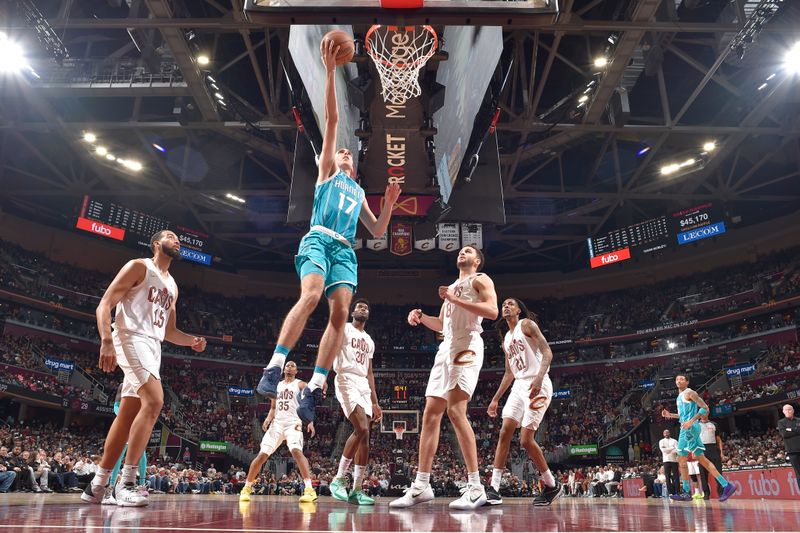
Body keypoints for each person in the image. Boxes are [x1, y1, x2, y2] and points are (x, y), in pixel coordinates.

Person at [255, 34, 401, 425]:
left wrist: (387, 204)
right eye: (341, 151)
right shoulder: (326, 174)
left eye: (350, 153)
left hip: (346, 251)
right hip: (319, 237)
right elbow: (334, 120)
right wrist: (331, 72)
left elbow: (377, 230)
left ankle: (316, 387)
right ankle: (274, 365)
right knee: (312, 295)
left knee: (340, 316)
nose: (346, 153)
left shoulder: (357, 191)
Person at [82, 230, 207, 507]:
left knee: (127, 414)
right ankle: (125, 483)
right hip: (129, 336)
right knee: (155, 401)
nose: (177, 241)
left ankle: (97, 485)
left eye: (179, 239)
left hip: (153, 346)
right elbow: (105, 304)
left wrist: (193, 341)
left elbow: (170, 331)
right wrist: (105, 340)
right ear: (156, 244)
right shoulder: (139, 266)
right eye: (171, 236)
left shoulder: (173, 285)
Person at [390, 245, 498, 510]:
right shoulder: (451, 287)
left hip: (468, 343)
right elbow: (441, 325)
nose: (462, 252)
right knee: (431, 413)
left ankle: (476, 488)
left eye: (468, 250)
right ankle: (422, 485)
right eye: (460, 250)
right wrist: (421, 316)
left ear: (477, 260)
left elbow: (492, 311)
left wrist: (454, 299)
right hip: (447, 346)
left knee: (456, 411)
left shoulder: (480, 279)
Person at [484, 298, 562, 506]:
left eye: (510, 304)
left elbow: (548, 353)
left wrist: (538, 378)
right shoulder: (506, 339)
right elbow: (509, 373)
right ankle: (494, 488)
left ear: (519, 310)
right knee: (504, 431)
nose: (506, 306)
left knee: (526, 440)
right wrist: (495, 399)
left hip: (539, 382)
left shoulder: (526, 325)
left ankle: (552, 485)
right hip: (519, 386)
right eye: (503, 305)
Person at [328, 299, 382, 505]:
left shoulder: (369, 341)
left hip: (362, 385)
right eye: (359, 307)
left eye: (366, 308)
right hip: (345, 378)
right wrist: (322, 376)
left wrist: (375, 402)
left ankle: (357, 489)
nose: (363, 309)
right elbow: (330, 350)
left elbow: (369, 373)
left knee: (365, 437)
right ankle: (338, 479)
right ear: (353, 312)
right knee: (361, 428)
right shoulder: (344, 329)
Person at [240, 362, 317, 503]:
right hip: (277, 424)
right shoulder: (277, 386)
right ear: (283, 369)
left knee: (296, 451)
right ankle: (246, 488)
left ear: (296, 370)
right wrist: (268, 419)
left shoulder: (301, 384)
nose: (290, 367)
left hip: (293, 422)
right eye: (287, 365)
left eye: (293, 365)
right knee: (262, 455)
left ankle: (309, 490)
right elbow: (273, 407)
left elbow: (309, 403)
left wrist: (310, 421)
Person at [660, 374, 736, 502]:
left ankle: (686, 491)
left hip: (689, 428)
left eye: (682, 379)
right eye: (677, 379)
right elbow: (683, 416)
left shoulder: (690, 393)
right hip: (687, 426)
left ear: (687, 382)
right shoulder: (680, 396)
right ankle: (726, 485)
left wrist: (692, 421)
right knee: (701, 459)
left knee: (681, 457)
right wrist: (670, 415)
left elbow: (705, 408)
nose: (678, 381)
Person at [103, 384, 149, 504]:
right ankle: (111, 487)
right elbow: (116, 405)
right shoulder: (124, 385)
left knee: (141, 453)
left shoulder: (145, 386)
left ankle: (141, 485)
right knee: (119, 453)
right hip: (125, 418)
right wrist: (125, 419)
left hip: (137, 421)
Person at [699, 411, 724, 500]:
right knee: (703, 473)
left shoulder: (714, 424)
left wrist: (721, 452)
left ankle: (721, 493)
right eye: (701, 413)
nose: (703, 415)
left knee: (718, 471)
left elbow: (719, 439)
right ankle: (706, 493)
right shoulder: (696, 425)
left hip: (713, 448)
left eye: (705, 413)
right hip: (701, 449)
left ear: (708, 414)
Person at [777, 404, 800, 491]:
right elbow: (784, 434)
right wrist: (796, 430)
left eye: (789, 409)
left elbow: (789, 432)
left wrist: (790, 429)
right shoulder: (781, 422)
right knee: (799, 473)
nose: (788, 411)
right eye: (786, 410)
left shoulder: (798, 420)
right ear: (783, 412)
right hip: (792, 451)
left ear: (793, 410)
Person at [658, 429, 679, 496]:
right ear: (663, 434)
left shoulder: (674, 441)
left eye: (667, 433)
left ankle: (677, 491)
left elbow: (677, 450)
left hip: (674, 460)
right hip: (666, 460)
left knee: (676, 476)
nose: (666, 434)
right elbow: (663, 450)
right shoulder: (661, 441)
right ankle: (670, 492)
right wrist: (672, 448)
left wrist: (668, 449)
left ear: (669, 433)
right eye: (665, 433)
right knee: (667, 477)